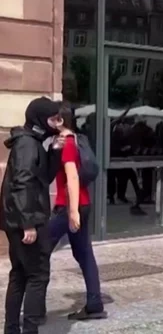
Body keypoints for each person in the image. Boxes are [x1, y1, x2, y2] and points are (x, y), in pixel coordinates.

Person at [1, 97, 62, 334]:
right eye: (53, 118)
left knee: (19, 274)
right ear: (38, 118)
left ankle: (12, 329)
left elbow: (44, 177)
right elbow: (22, 184)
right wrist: (28, 223)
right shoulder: (28, 144)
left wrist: (55, 151)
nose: (57, 123)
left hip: (19, 218)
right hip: (26, 220)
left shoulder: (34, 142)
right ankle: (28, 329)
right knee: (37, 276)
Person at [48, 103, 107, 320]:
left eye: (52, 118)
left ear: (60, 120)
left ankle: (33, 309)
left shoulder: (69, 143)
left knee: (40, 250)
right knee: (84, 254)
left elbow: (72, 178)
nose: (49, 122)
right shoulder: (72, 140)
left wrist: (72, 212)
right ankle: (95, 303)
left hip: (70, 206)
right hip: (82, 203)